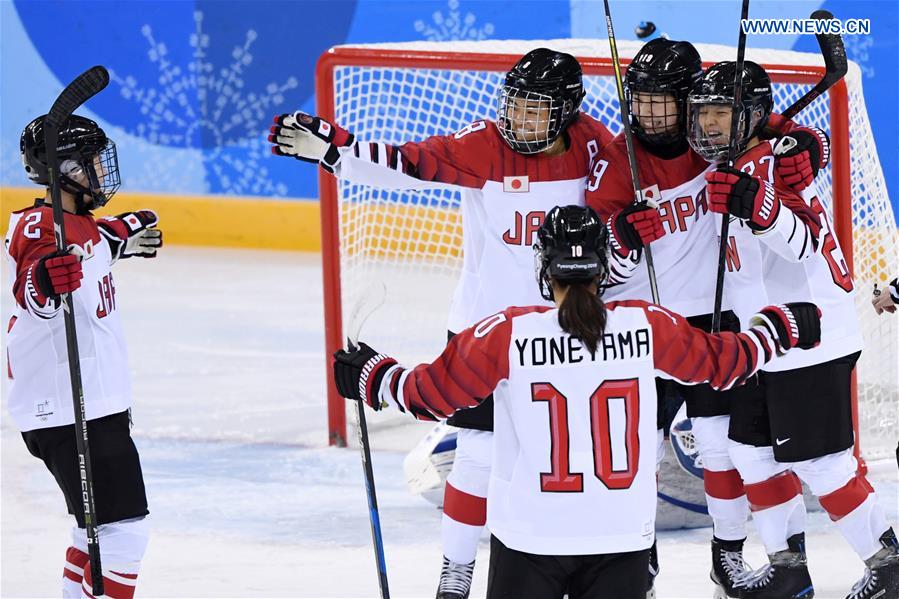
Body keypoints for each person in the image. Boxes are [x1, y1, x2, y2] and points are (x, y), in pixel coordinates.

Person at [269, 48, 661, 599]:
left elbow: (619, 201)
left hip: (562, 330)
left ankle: (623, 550)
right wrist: (339, 151)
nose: (520, 120)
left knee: (567, 449)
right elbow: (409, 163)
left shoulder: (596, 146)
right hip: (484, 330)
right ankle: (455, 574)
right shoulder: (484, 144)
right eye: (516, 105)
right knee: (477, 455)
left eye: (536, 110)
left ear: (568, 112)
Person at [332, 205, 822, 599]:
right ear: (603, 268)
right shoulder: (647, 324)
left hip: (529, 538)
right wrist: (780, 330)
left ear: (546, 268)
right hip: (622, 539)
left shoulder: (507, 332)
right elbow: (724, 364)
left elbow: (432, 395)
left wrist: (374, 377)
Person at [585, 38, 830, 598]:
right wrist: (621, 240)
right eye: (638, 100)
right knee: (636, 452)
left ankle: (727, 556)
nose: (646, 113)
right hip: (643, 326)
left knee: (719, 447)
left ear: (692, 101)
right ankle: (635, 561)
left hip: (718, 321)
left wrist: (806, 145)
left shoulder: (712, 139)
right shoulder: (621, 162)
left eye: (660, 101)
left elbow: (777, 132)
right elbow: (594, 268)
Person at [688, 60, 899, 599]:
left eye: (721, 112)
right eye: (703, 112)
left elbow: (804, 242)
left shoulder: (778, 166)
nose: (709, 124)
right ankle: (787, 568)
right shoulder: (743, 158)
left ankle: (890, 566)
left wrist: (761, 210)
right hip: (767, 344)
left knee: (822, 465)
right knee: (748, 451)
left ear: (752, 115)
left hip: (810, 336)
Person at [6, 114, 162, 598]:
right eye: (92, 163)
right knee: (123, 533)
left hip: (89, 406)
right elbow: (33, 282)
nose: (101, 172)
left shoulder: (77, 226)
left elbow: (94, 242)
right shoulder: (41, 226)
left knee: (92, 534)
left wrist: (123, 233)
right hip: (72, 410)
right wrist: (44, 284)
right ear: (65, 170)